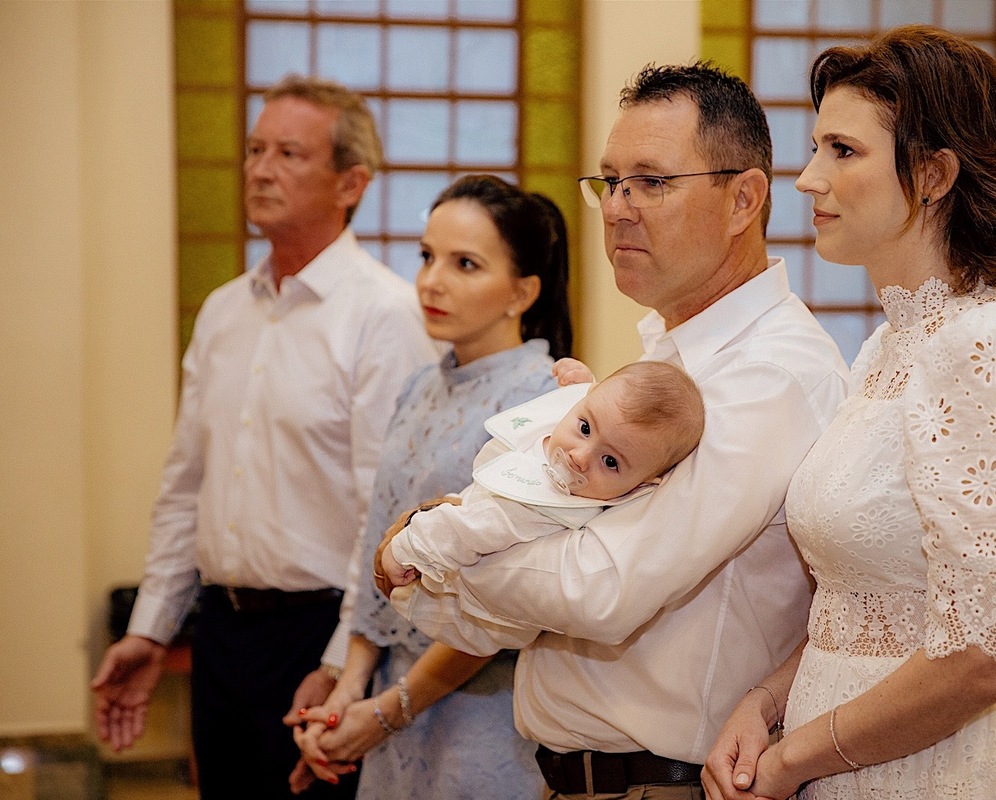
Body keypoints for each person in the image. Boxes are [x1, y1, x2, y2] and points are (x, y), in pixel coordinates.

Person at [378, 62, 850, 799]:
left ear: (743, 199)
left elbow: (598, 588)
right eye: (610, 182)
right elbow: (531, 594)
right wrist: (431, 567)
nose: (619, 208)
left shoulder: (770, 372)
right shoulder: (666, 352)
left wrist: (431, 544)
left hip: (668, 783)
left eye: (651, 182)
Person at [702, 26, 996, 799]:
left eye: (843, 151)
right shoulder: (888, 349)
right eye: (816, 149)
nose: (809, 179)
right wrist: (767, 701)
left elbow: (982, 658)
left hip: (948, 766)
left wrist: (794, 759)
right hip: (837, 750)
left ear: (934, 173)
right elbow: (866, 608)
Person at [89, 75, 439, 799]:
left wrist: (342, 661)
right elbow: (186, 487)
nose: (260, 170)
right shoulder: (224, 312)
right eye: (254, 150)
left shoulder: (384, 315)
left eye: (288, 153)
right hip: (220, 631)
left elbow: (388, 511)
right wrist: (152, 629)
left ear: (350, 183)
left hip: (320, 632)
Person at [290, 173, 573, 800]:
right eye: (426, 257)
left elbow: (504, 600)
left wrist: (389, 709)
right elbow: (379, 532)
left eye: (464, 264)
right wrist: (347, 693)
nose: (431, 281)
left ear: (522, 291)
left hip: (480, 704)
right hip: (392, 692)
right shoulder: (420, 386)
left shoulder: (542, 399)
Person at [379, 360, 706, 590]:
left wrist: (410, 547)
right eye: (585, 427)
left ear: (641, 486)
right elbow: (604, 412)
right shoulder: (591, 420)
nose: (579, 457)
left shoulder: (544, 508)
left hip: (447, 558)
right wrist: (579, 385)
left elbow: (475, 528)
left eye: (610, 462)